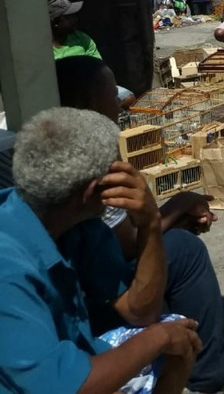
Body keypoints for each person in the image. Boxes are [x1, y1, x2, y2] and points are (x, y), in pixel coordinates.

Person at [55, 56, 224, 394]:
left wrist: (170, 213)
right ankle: (219, 378)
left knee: (173, 240)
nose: (118, 104)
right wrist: (170, 214)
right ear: (88, 105)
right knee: (185, 251)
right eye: (111, 96)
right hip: (91, 297)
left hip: (80, 281)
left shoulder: (51, 149)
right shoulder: (90, 164)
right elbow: (126, 246)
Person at [0, 107, 200, 394]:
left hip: (68, 361)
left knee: (180, 340)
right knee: (164, 338)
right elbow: (66, 388)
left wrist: (150, 223)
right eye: (120, 171)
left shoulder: (76, 225)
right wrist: (155, 339)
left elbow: (139, 311)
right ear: (94, 190)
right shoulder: (8, 270)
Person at [49, 0, 136, 108]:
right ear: (56, 22)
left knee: (128, 97)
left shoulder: (82, 38)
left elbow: (99, 67)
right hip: (63, 94)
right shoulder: (43, 47)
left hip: (91, 88)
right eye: (69, 17)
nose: (76, 19)